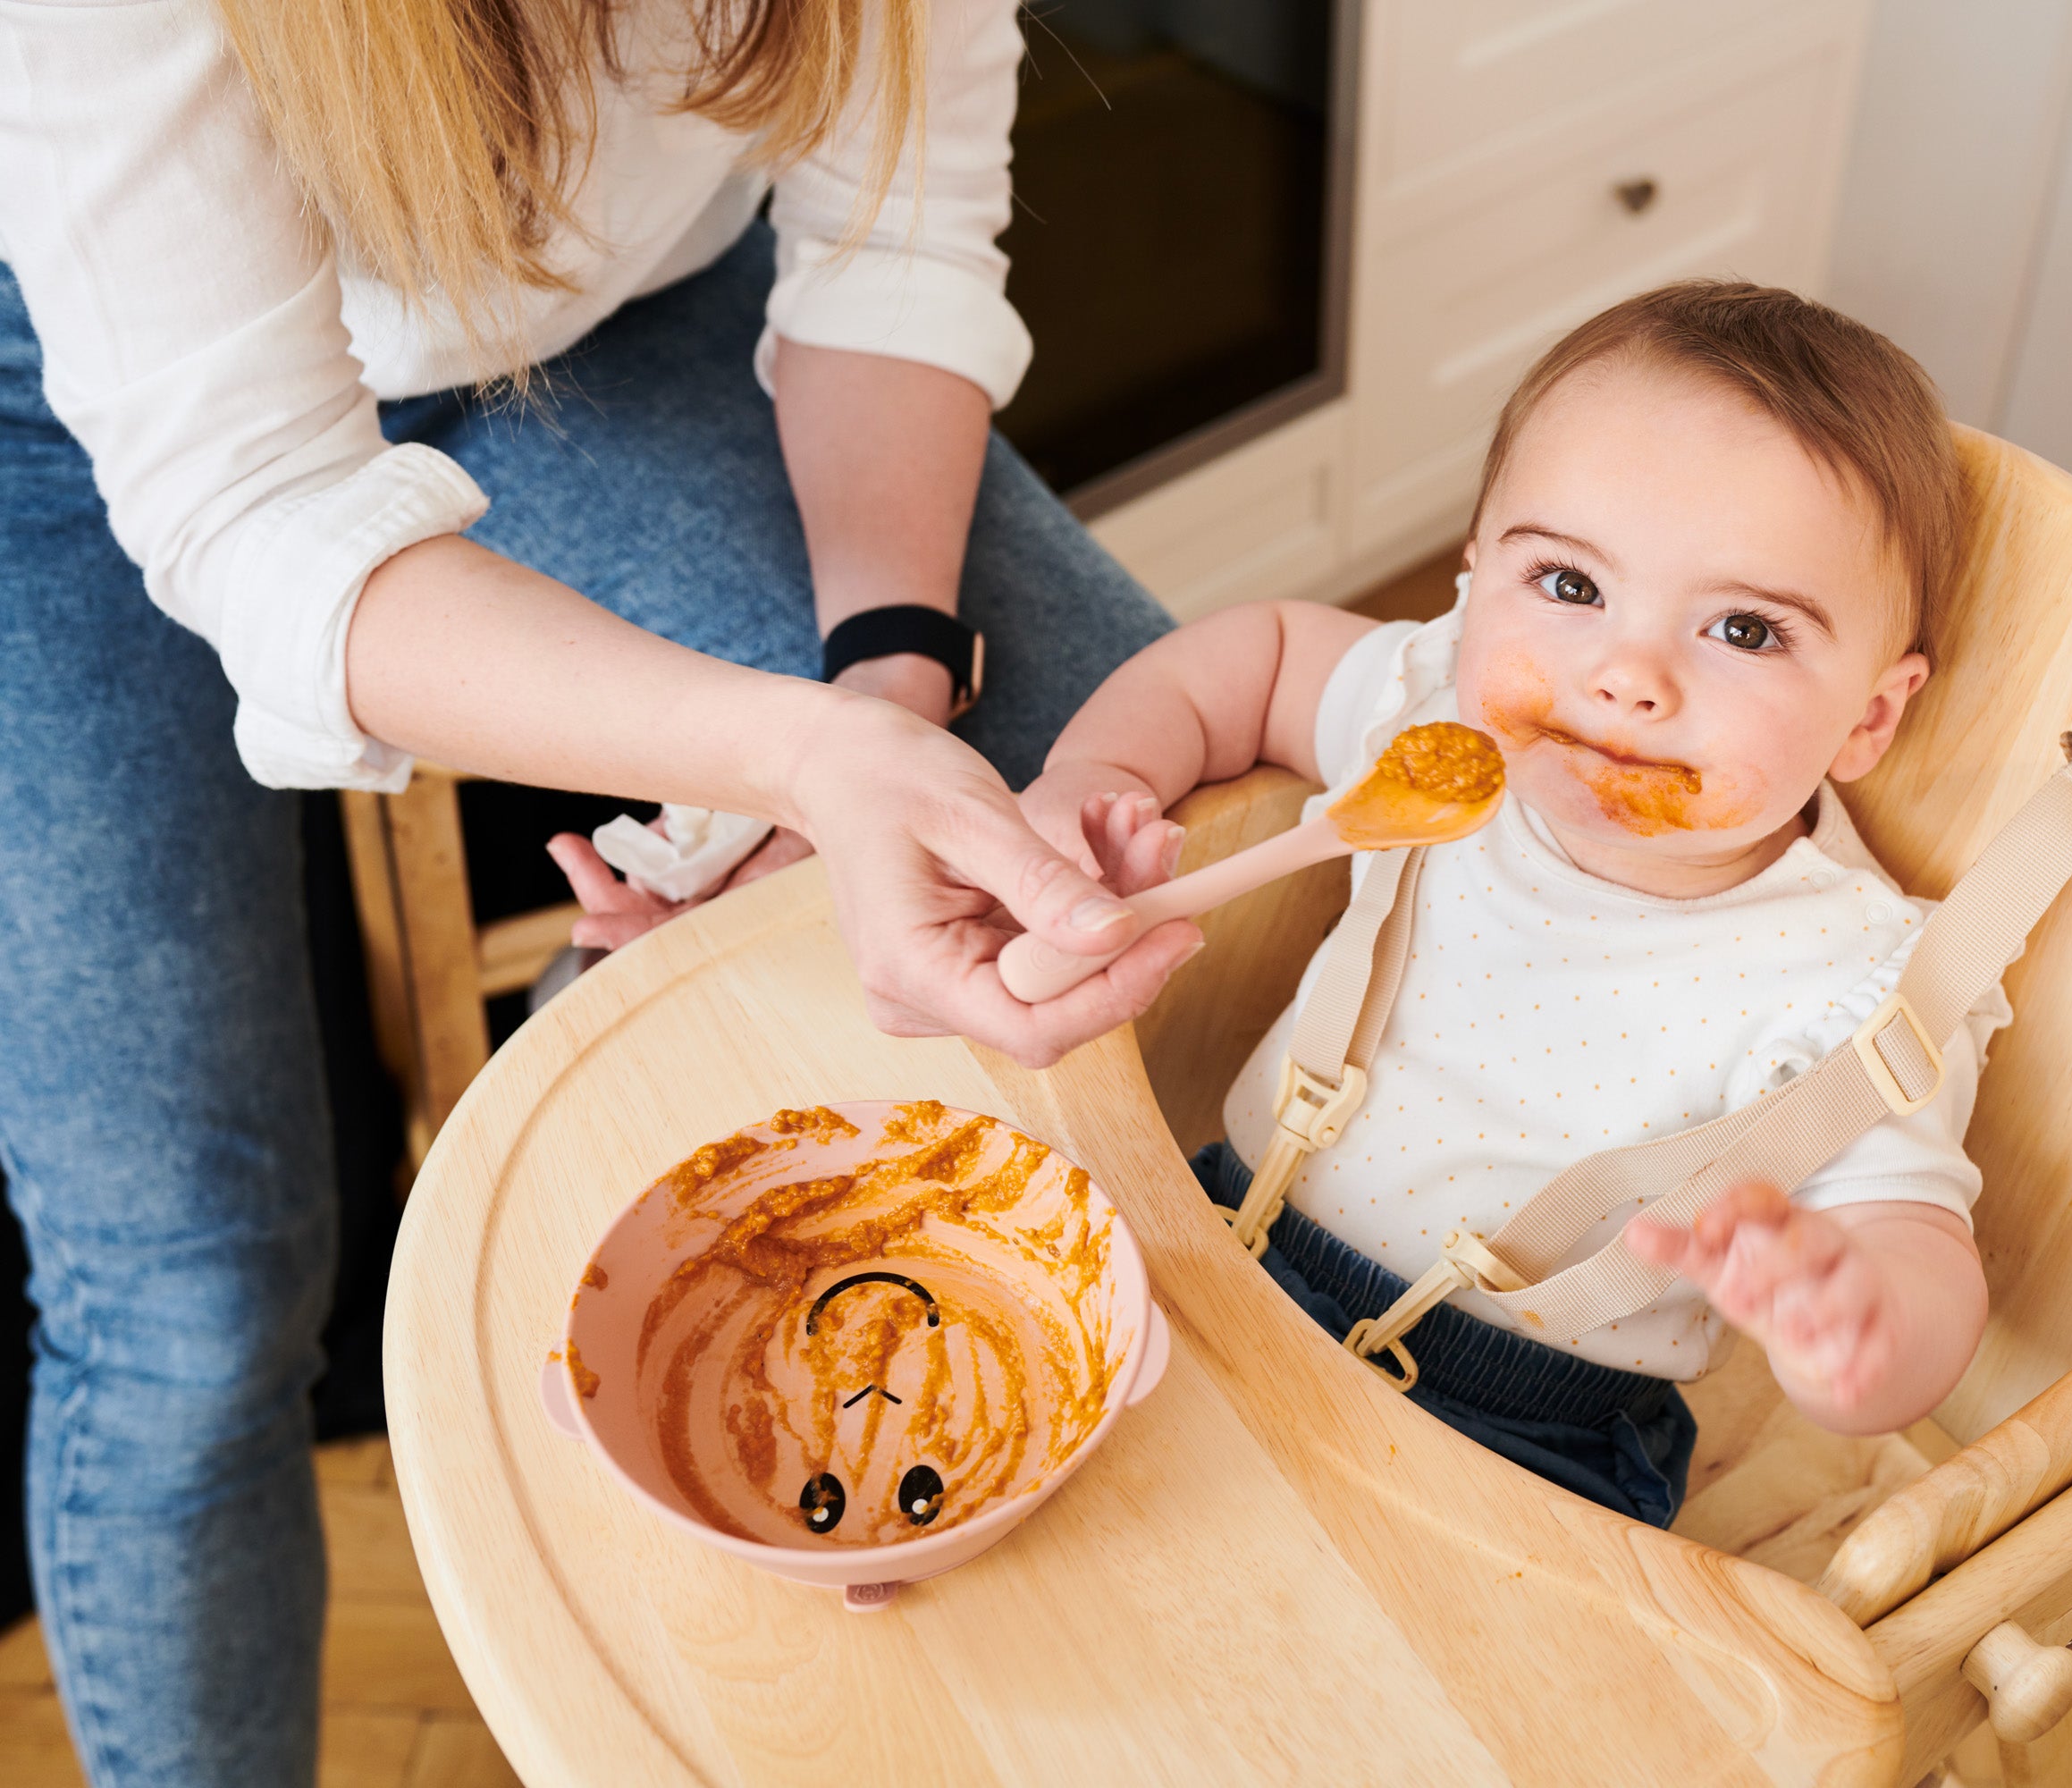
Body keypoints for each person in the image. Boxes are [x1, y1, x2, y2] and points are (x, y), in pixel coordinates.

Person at [0, 1, 1201, 1781]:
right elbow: (258, 502)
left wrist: (877, 705)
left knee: (1079, 803)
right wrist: (786, 760)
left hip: (619, 309)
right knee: (186, 1287)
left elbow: (899, 239)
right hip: (66, 391)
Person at [1020, 283, 1998, 1527]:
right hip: (1219, 1246)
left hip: (1524, 1442)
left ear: (1867, 717)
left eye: (1744, 629)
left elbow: (1920, 1247)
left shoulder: (1849, 983)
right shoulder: (1435, 731)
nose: (1627, 677)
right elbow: (1256, 659)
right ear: (1477, 581)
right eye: (1572, 588)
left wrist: (1858, 1318)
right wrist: (1099, 776)